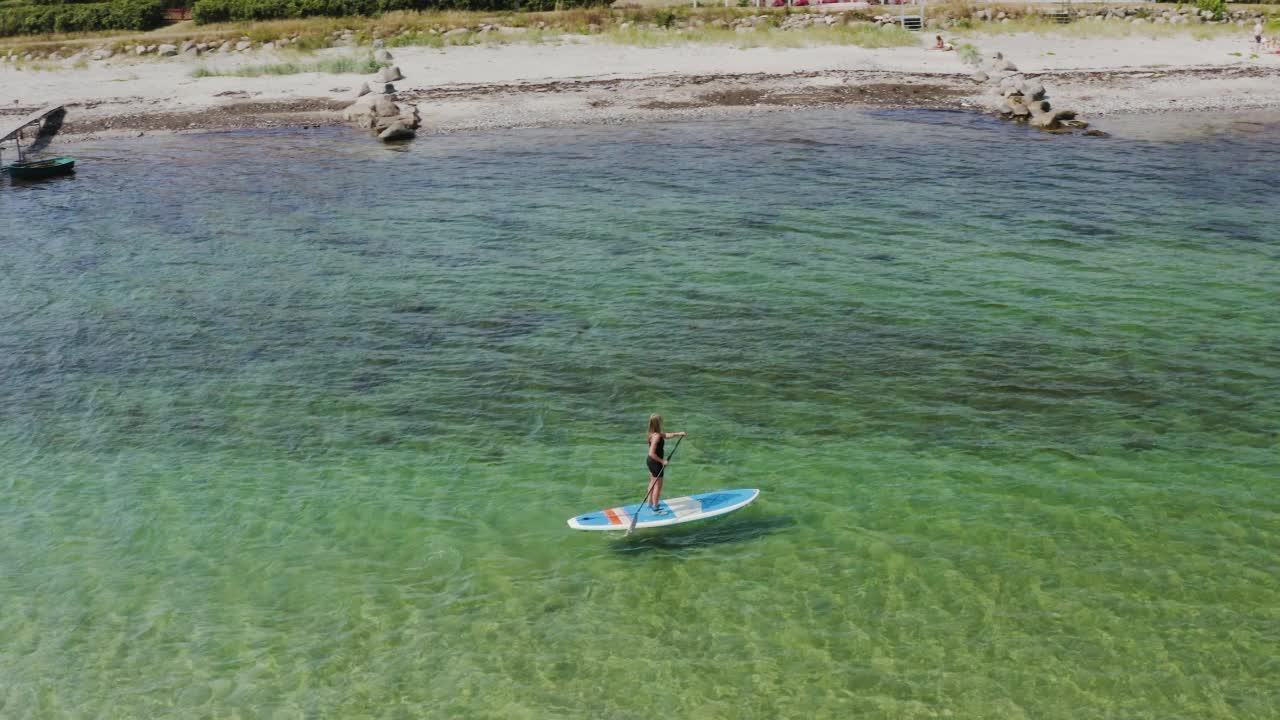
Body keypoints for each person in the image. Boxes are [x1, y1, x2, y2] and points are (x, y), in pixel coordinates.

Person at [645, 414, 686, 514]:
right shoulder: (656, 437)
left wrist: (679, 434)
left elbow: (667, 435)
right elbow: (651, 453)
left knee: (652, 482)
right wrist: (662, 461)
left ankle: (649, 503)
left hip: (651, 462)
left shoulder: (653, 434)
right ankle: (655, 508)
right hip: (655, 463)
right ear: (658, 423)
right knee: (658, 486)